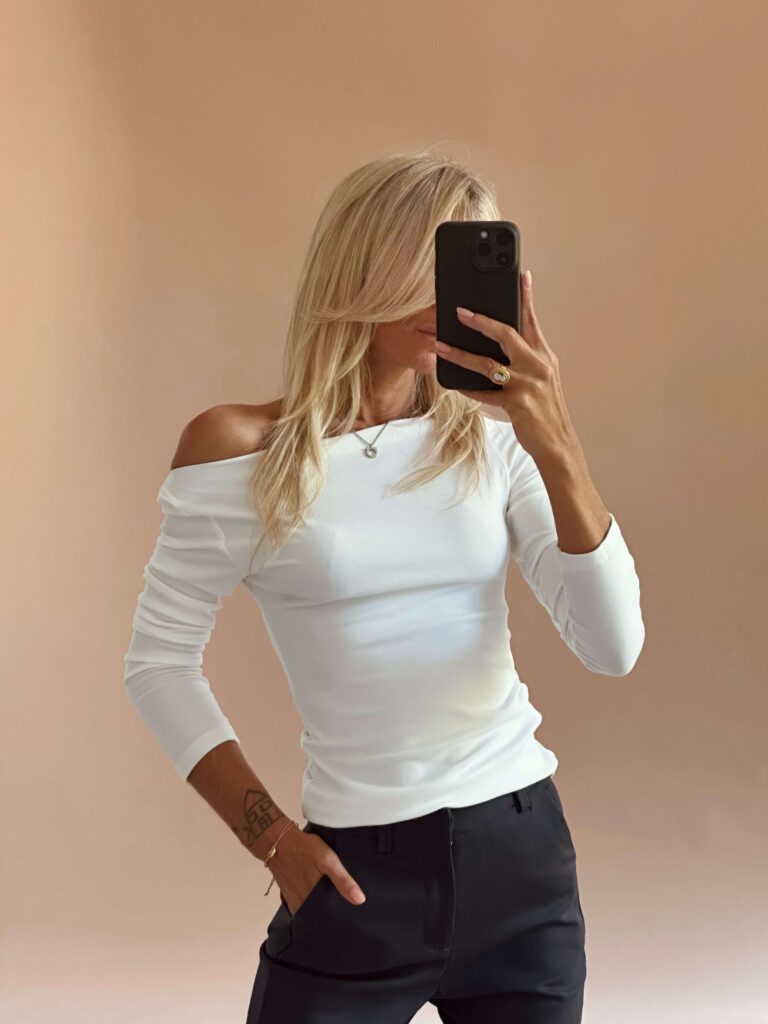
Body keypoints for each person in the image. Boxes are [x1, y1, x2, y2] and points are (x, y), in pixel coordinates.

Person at [123, 151, 645, 1024]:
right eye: (429, 262)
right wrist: (272, 841)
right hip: (358, 878)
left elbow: (614, 646)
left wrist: (555, 439)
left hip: (522, 866)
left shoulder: (495, 444)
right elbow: (157, 664)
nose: (452, 297)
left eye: (467, 264)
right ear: (365, 264)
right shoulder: (237, 452)